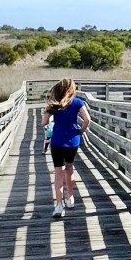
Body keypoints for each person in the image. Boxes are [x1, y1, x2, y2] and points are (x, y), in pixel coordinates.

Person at [42, 77, 90, 220]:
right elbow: (87, 119)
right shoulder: (77, 102)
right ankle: (70, 198)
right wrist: (80, 131)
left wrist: (50, 119)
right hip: (73, 141)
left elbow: (43, 123)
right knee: (69, 168)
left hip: (57, 141)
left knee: (58, 172)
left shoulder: (54, 105)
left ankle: (58, 205)